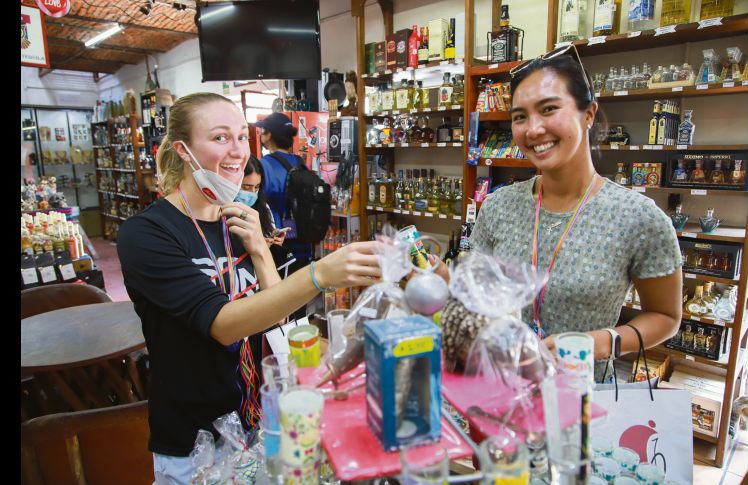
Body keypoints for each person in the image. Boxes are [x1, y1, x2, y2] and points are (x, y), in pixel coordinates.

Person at [117, 92, 382, 483]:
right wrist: (318, 275)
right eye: (220, 138)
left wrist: (259, 252)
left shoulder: (244, 218)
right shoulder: (147, 234)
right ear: (183, 150)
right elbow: (222, 323)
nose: (237, 151)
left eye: (242, 137)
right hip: (194, 441)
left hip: (259, 423)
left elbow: (277, 319)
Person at [437, 45, 683, 379]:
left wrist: (599, 343)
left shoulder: (639, 218)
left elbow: (666, 317)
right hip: (499, 390)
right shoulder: (498, 206)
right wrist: (447, 285)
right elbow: (480, 297)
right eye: (520, 116)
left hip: (580, 402)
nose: (533, 129)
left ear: (589, 114)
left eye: (549, 109)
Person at [255, 112, 313, 271]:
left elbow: (258, 202)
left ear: (269, 135)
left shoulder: (265, 165)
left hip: (279, 240)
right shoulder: (299, 162)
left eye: (262, 131)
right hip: (303, 237)